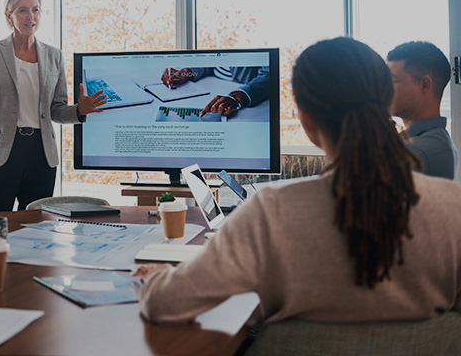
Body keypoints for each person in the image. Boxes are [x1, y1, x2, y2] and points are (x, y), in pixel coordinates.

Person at [136, 37, 461, 325]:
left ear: (305, 120)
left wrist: (156, 277)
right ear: (384, 102)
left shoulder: (272, 213)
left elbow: (164, 305)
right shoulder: (453, 206)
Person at [0, 0, 106, 213]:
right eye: (22, 10)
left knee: (35, 227)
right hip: (1, 151)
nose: (30, 16)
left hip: (40, 153)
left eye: (35, 10)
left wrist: (79, 110)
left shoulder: (54, 55)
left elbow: (57, 110)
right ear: (9, 15)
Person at [387, 41, 457, 180]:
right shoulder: (434, 140)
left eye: (392, 81)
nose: (384, 88)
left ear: (424, 85)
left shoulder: (417, 152)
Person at [161, 66, 269, 117]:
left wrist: (238, 97)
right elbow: (208, 66)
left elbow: (268, 76)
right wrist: (187, 73)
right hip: (209, 88)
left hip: (250, 103)